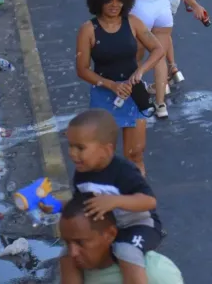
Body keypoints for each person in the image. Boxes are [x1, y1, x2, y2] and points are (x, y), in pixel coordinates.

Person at [60, 109, 163, 284]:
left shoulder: (123, 171)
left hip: (139, 225)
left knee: (126, 251)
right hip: (108, 228)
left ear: (106, 149)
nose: (72, 153)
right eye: (70, 146)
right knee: (68, 256)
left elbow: (149, 201)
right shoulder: (81, 174)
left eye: (80, 147)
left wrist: (115, 201)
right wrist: (56, 206)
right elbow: (80, 206)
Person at [76, 0, 163, 174]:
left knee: (135, 154)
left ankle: (136, 199)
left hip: (133, 94)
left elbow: (158, 49)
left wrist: (141, 70)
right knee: (103, 157)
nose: (114, 5)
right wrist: (112, 85)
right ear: (98, 2)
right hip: (104, 97)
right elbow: (82, 69)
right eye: (109, 0)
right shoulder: (88, 30)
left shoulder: (133, 22)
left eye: (119, 0)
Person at [120, 0, 207, 118]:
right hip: (162, 6)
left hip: (140, 9)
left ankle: (135, 94)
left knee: (136, 56)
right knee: (159, 55)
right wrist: (195, 5)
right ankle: (161, 105)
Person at [59, 193, 184, 283]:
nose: (73, 252)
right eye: (67, 243)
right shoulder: (73, 269)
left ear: (110, 234)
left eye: (80, 242)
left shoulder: (156, 273)